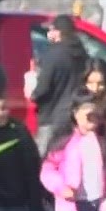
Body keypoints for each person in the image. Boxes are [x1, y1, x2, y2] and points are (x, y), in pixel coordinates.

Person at [31, 14, 88, 153]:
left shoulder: (53, 54)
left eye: (51, 29)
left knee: (45, 159)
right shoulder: (82, 53)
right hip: (76, 115)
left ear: (58, 32)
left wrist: (33, 93)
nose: (49, 33)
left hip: (52, 117)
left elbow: (42, 88)